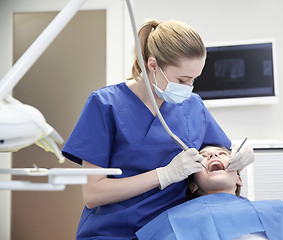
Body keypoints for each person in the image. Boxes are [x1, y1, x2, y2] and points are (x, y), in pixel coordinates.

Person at [62, 19, 254, 239]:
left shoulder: (192, 105)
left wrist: (241, 152)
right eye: (182, 79)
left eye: (193, 80)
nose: (188, 88)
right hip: (113, 232)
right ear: (152, 65)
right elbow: (93, 194)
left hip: (174, 230)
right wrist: (164, 175)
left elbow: (218, 152)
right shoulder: (105, 104)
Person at [136, 146, 283, 240]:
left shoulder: (281, 210)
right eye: (203, 156)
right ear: (193, 185)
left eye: (222, 154)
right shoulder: (171, 221)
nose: (213, 156)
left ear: (238, 179)